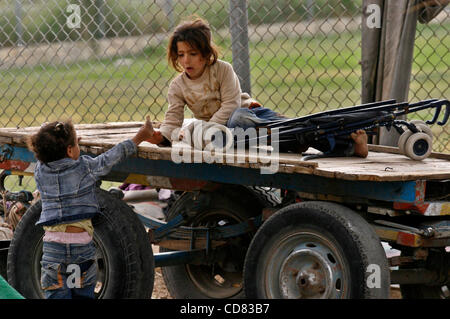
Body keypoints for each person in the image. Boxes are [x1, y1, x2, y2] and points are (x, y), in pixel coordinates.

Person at [148, 17, 368, 158]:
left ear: (206, 55)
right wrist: (162, 137)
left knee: (243, 122)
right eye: (181, 55)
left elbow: (232, 104)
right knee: (222, 142)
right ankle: (341, 147)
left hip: (250, 116)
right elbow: (173, 117)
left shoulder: (222, 70)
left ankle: (348, 141)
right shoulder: (178, 85)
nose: (186, 61)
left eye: (193, 54)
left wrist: (207, 128)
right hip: (225, 133)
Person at [27, 116, 155, 299]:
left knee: (56, 295)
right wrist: (139, 137)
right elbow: (111, 157)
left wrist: (65, 147)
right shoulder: (85, 168)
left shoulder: (40, 172)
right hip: (81, 250)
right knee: (82, 294)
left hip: (53, 251)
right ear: (70, 150)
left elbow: (45, 154)